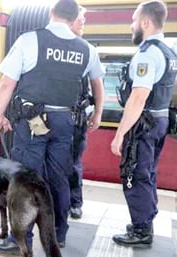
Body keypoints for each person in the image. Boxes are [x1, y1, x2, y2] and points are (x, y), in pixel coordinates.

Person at [0, 0, 103, 251]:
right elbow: (97, 83)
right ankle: (58, 234)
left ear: (52, 13)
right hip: (66, 122)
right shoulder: (86, 49)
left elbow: (7, 83)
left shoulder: (29, 40)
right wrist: (97, 113)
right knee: (58, 178)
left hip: (34, 122)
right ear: (74, 18)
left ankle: (21, 240)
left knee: (27, 180)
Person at [110, 0, 177, 247]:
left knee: (135, 173)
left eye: (133, 20)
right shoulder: (170, 52)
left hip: (144, 123)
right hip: (159, 120)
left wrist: (119, 135)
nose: (131, 25)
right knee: (148, 172)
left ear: (146, 22)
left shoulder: (148, 53)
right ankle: (144, 221)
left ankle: (141, 232)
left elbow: (138, 97)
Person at [68, 6, 104, 219]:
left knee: (72, 162)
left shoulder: (87, 49)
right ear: (70, 20)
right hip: (55, 118)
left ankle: (74, 202)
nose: (83, 23)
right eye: (81, 19)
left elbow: (97, 83)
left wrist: (98, 112)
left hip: (76, 120)